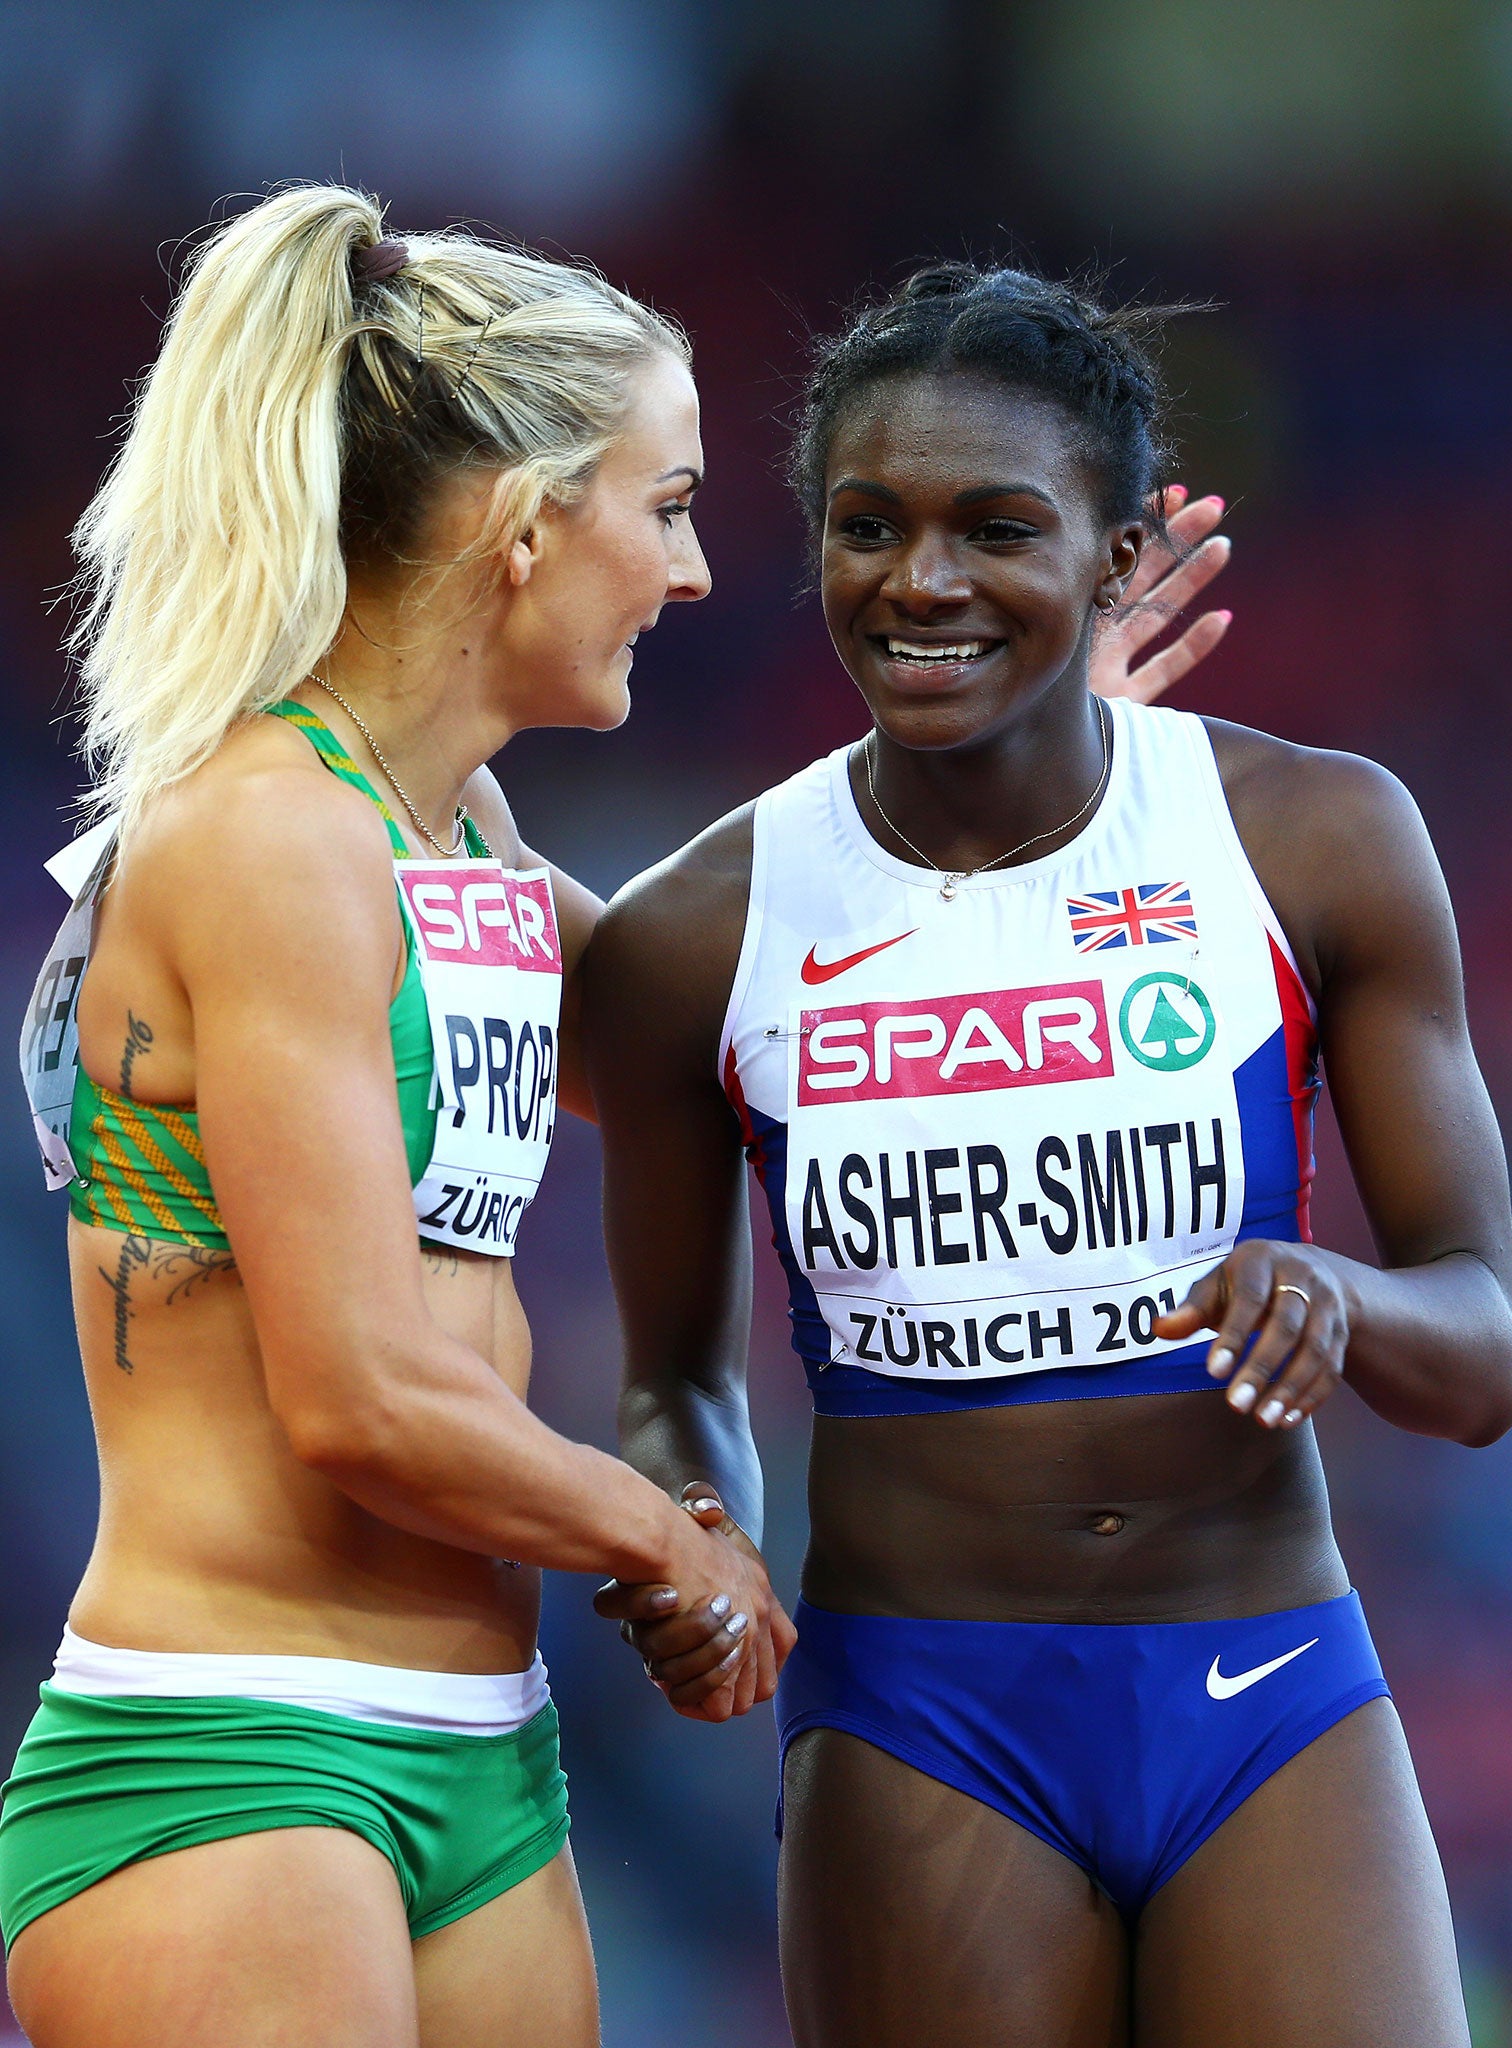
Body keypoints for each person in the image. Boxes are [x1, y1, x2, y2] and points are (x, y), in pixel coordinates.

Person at [584, 264, 1512, 2047]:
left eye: (994, 528)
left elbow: (1489, 1356)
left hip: (1265, 1685)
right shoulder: (702, 928)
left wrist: (1331, 1293)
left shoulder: (1314, 838)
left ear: (1114, 562)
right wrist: (695, 1530)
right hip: (918, 1717)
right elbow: (678, 1382)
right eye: (869, 526)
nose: (920, 581)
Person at [3, 182, 795, 2048]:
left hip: (480, 1761)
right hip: (227, 1757)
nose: (689, 574)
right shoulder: (275, 836)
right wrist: (670, 1539)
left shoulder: (459, 836)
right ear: (526, 529)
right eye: (665, 510)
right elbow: (358, 1393)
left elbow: (727, 1042)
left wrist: (1028, 778)